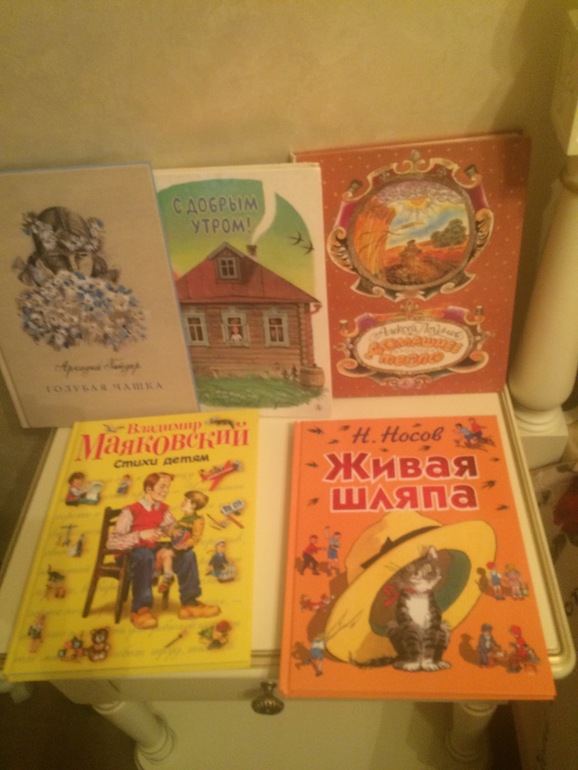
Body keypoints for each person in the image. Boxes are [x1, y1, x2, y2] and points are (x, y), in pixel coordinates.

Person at [106, 472, 219, 629]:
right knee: (144, 555)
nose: (166, 491)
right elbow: (112, 542)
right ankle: (141, 609)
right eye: (162, 487)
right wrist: (140, 535)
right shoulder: (130, 511)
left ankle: (190, 603)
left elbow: (171, 527)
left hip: (152, 551)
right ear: (148, 489)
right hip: (130, 555)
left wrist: (178, 532)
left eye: (167, 487)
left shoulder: (162, 509)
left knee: (187, 555)